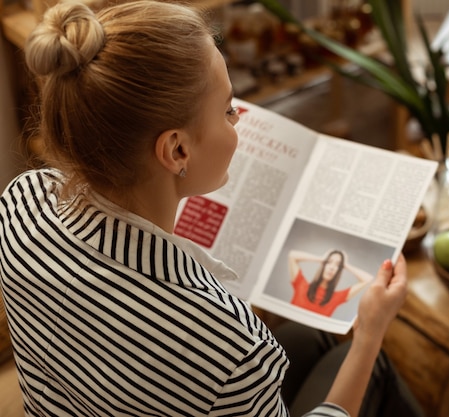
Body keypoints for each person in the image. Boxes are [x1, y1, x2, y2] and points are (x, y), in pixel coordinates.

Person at [0, 1, 424, 416]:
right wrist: (370, 334)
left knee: (313, 340)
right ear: (177, 149)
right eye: (227, 110)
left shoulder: (21, 204)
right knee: (372, 365)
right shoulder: (228, 347)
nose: (239, 118)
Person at [288, 249, 372, 316]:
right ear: (324, 264)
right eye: (329, 262)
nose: (332, 267)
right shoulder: (301, 285)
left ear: (338, 270)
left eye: (337, 265)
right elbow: (292, 255)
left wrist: (345, 265)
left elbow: (367, 279)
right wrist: (321, 259)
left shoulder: (337, 298)